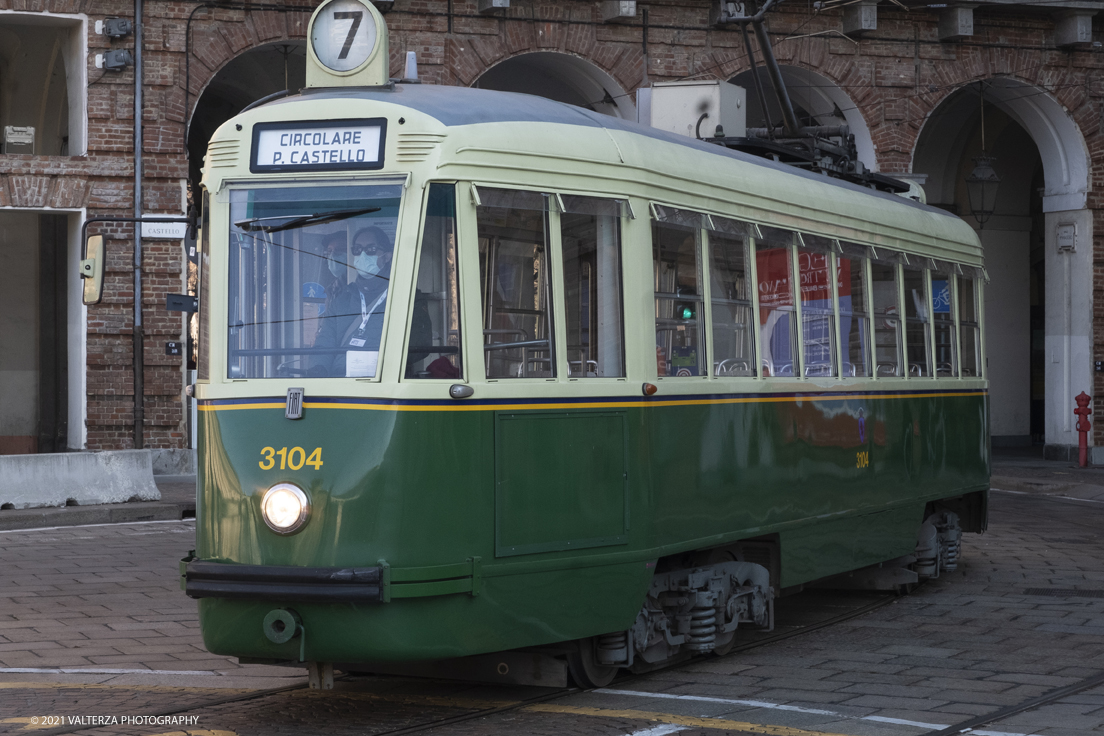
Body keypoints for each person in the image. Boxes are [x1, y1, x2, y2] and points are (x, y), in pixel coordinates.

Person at [312, 226, 394, 377]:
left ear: (387, 256)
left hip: (385, 384)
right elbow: (325, 342)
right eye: (357, 249)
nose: (363, 254)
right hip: (341, 385)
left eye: (371, 249)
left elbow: (417, 344)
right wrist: (319, 369)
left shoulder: (402, 297)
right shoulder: (343, 298)